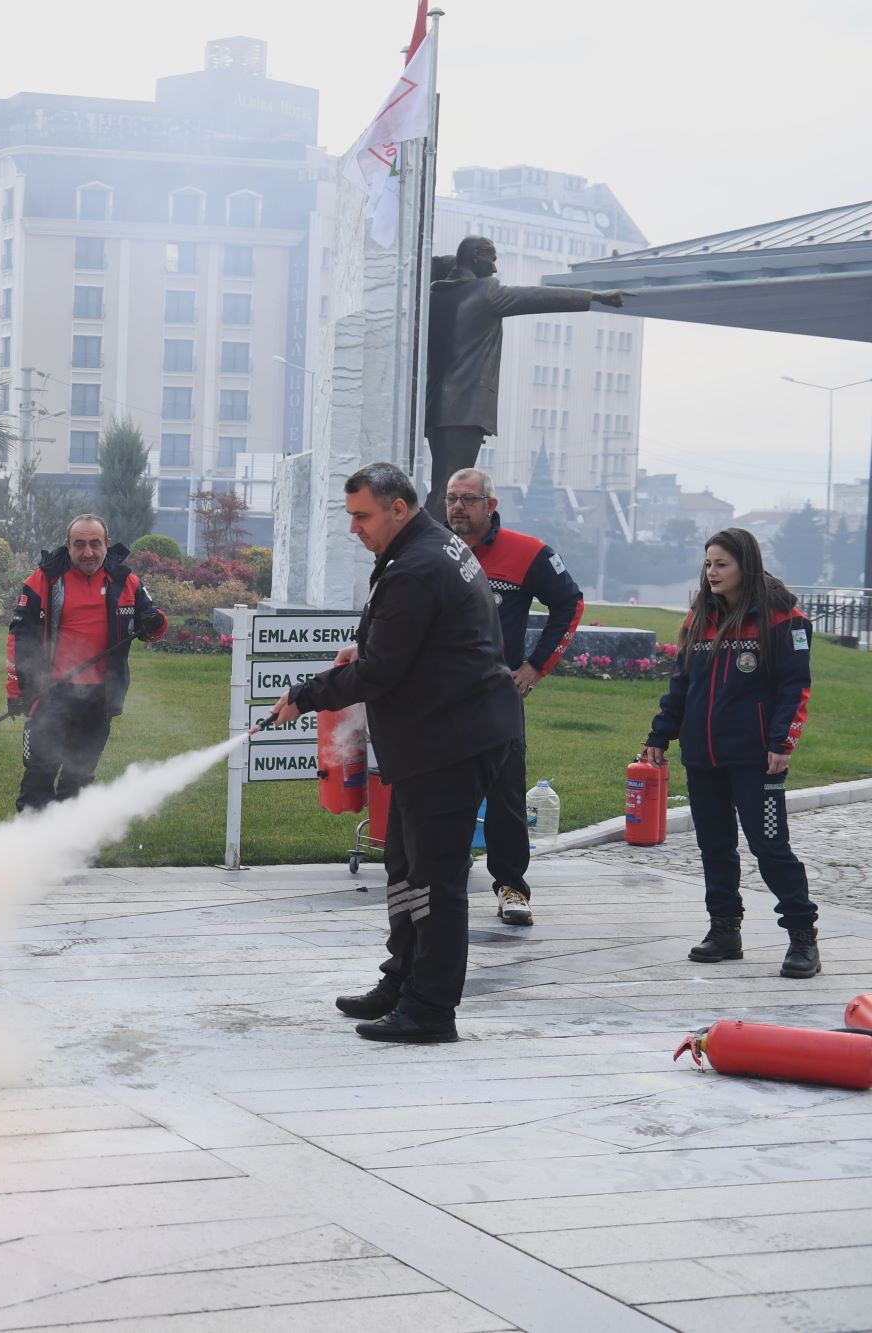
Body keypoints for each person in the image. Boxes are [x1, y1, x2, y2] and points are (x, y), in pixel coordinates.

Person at [266, 463, 520, 1043]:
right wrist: (369, 644)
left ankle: (430, 1011)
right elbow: (416, 638)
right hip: (434, 737)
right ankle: (401, 980)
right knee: (405, 870)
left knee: (435, 882)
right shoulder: (426, 548)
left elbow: (381, 672)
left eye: (362, 516)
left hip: (452, 741)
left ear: (398, 508)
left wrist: (304, 696)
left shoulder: (420, 564)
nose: (353, 528)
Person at [641, 528, 818, 978]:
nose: (712, 572)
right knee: (714, 847)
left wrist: (783, 742)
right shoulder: (700, 616)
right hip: (703, 757)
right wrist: (660, 734)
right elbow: (681, 684)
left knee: (770, 847)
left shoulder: (783, 616)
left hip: (756, 758)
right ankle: (724, 930)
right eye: (708, 564)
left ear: (745, 565)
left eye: (722, 564)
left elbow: (795, 686)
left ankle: (802, 937)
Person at [444, 467, 584, 926]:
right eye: (451, 499)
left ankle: (511, 888)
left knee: (504, 795)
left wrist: (535, 667)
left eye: (468, 499)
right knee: (437, 790)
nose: (458, 508)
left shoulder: (527, 552)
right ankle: (441, 877)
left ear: (490, 505)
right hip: (437, 697)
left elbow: (570, 603)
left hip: (496, 699)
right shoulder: (432, 549)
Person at [424, 235, 626, 516]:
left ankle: (431, 544)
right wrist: (594, 297)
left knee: (442, 485)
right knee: (450, 489)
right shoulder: (486, 292)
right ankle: (430, 547)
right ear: (474, 257)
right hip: (465, 408)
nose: (495, 269)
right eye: (491, 259)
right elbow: (537, 297)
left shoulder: (436, 295)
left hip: (438, 407)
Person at [6, 515, 167, 811]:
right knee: (39, 776)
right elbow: (19, 637)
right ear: (67, 546)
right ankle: (29, 850)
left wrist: (153, 622)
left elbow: (155, 630)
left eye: (95, 544)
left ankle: (67, 849)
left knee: (79, 780)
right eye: (79, 545)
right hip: (51, 694)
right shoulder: (44, 580)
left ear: (106, 544)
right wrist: (16, 689)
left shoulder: (126, 581)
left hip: (100, 697)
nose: (88, 552)